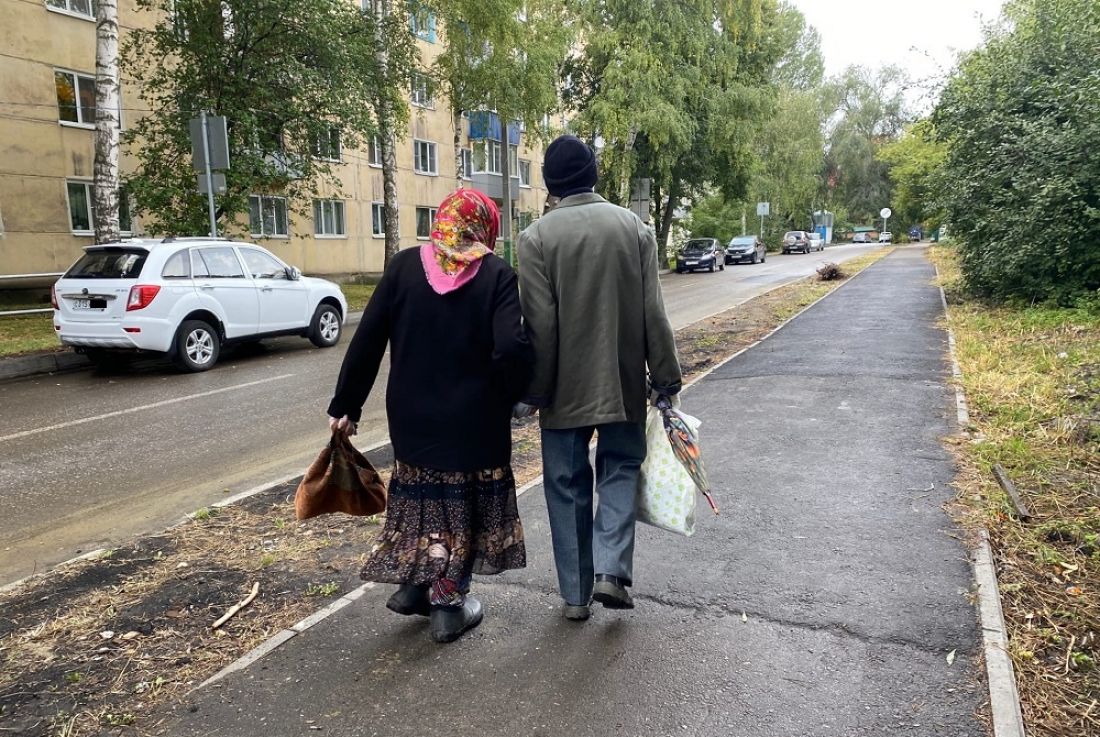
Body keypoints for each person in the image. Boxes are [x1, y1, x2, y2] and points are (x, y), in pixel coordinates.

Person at [327, 188, 533, 644]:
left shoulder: (403, 267)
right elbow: (511, 347)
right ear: (486, 228)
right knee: (462, 507)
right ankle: (447, 605)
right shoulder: (497, 274)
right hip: (474, 420)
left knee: (422, 498)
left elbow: (368, 339)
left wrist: (346, 405)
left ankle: (413, 586)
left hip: (412, 415)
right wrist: (514, 392)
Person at [516, 135, 682, 621]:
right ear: (594, 175)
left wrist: (535, 393)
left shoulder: (536, 239)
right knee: (620, 470)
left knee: (565, 484)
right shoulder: (634, 229)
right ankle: (612, 570)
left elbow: (539, 328)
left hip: (563, 394)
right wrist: (666, 377)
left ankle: (574, 596)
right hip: (622, 385)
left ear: (550, 185)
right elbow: (654, 312)